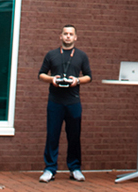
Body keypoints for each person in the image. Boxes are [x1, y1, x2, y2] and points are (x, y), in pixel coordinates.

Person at [38, 24, 91, 182]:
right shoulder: (51, 55)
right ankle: (49, 169)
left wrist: (77, 81)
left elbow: (89, 76)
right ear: (60, 36)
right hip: (55, 102)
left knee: (74, 136)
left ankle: (75, 169)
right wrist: (52, 79)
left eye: (71, 34)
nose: (68, 36)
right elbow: (41, 74)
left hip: (73, 102)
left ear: (76, 37)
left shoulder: (81, 56)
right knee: (52, 135)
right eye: (65, 34)